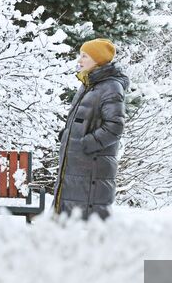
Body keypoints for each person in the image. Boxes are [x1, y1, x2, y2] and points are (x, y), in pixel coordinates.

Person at [53, 39, 129, 221]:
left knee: (82, 225)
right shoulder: (88, 85)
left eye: (85, 56)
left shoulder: (110, 87)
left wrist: (87, 143)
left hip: (91, 168)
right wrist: (68, 136)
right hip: (75, 166)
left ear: (98, 59)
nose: (79, 60)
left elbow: (115, 126)